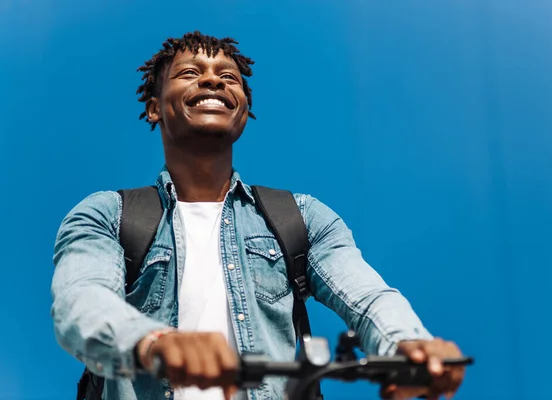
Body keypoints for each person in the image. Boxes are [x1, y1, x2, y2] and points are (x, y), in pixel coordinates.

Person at [51, 31, 466, 400]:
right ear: (154, 107)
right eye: (190, 72)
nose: (213, 80)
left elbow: (369, 298)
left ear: (245, 111)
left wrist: (410, 347)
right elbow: (81, 300)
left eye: (228, 77)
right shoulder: (107, 214)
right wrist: (154, 342)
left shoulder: (300, 217)